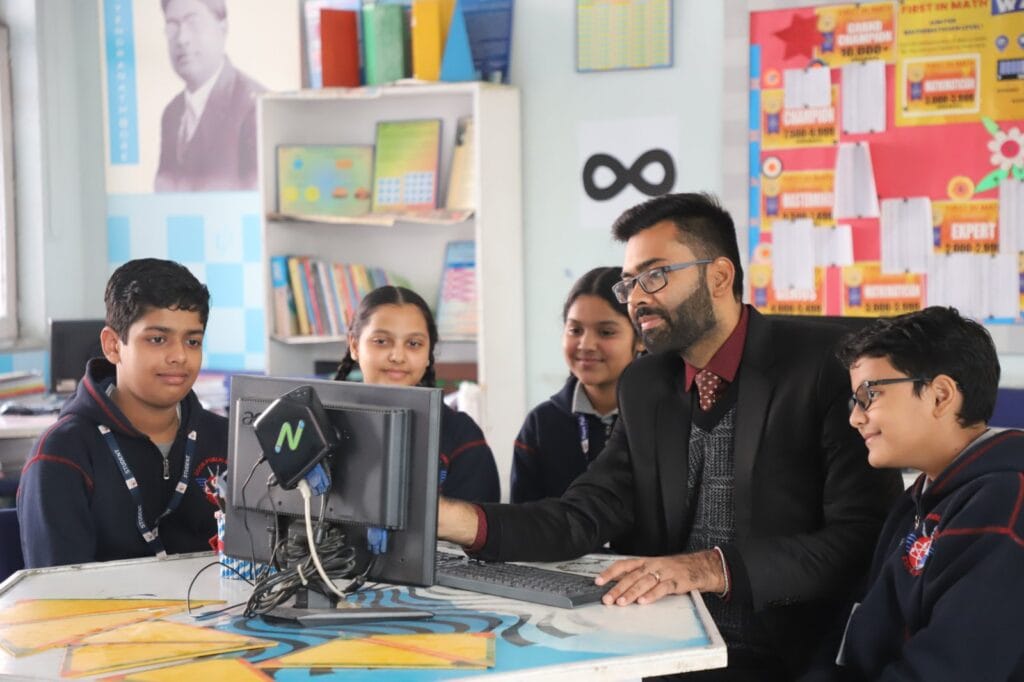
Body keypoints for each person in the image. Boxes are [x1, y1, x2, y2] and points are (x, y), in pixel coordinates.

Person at [437, 192, 903, 679]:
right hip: (662, 643)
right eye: (629, 283)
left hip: (783, 655)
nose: (637, 298)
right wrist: (447, 519)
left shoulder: (826, 367)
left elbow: (861, 538)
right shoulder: (645, 383)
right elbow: (583, 514)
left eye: (655, 275)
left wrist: (709, 568)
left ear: (719, 276)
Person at [817, 307, 1024, 680]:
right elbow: (858, 629)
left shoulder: (1006, 508)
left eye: (870, 395)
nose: (855, 417)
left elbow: (949, 670)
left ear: (940, 396)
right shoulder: (920, 500)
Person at [18, 259, 228, 567]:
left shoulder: (227, 440)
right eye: (157, 339)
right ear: (113, 346)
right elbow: (58, 592)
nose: (180, 356)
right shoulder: (62, 454)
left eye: (192, 341)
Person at [335, 285, 500, 503]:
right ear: (355, 346)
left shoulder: (461, 435)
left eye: (414, 344)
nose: (397, 356)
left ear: (428, 353)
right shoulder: (322, 423)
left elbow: (477, 520)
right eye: (381, 341)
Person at [511, 266, 642, 503]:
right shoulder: (540, 425)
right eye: (575, 330)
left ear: (640, 338)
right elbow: (522, 519)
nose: (586, 344)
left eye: (606, 332)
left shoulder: (661, 419)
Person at [155, 0, 266, 192]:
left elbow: (257, 202)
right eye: (172, 26)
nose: (182, 39)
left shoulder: (256, 108)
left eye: (193, 22)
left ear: (223, 28)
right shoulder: (172, 114)